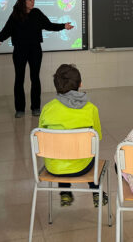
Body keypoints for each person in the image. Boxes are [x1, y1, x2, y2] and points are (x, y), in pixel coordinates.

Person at [0, 0, 74, 117]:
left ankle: (36, 107)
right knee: (19, 79)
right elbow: (8, 29)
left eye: (34, 0)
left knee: (35, 78)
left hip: (35, 49)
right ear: (24, 1)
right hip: (19, 50)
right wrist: (0, 36)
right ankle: (20, 109)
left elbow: (49, 25)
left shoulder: (36, 13)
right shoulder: (16, 14)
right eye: (30, 0)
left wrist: (63, 26)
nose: (33, 2)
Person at [38, 64, 107, 208]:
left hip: (54, 168)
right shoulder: (91, 109)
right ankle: (96, 191)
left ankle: (64, 192)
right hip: (82, 167)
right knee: (88, 151)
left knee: (59, 149)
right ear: (80, 84)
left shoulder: (47, 108)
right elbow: (97, 137)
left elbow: (41, 140)